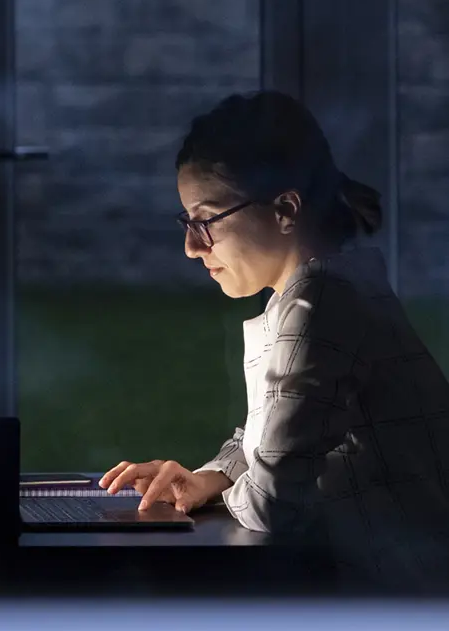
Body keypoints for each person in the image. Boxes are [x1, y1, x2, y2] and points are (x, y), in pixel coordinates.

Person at [99, 90, 449, 593]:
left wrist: (235, 487)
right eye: (187, 222)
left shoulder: (321, 304)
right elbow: (270, 435)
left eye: (205, 220)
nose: (191, 247)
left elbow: (273, 500)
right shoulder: (314, 293)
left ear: (285, 209)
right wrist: (209, 479)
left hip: (401, 602)